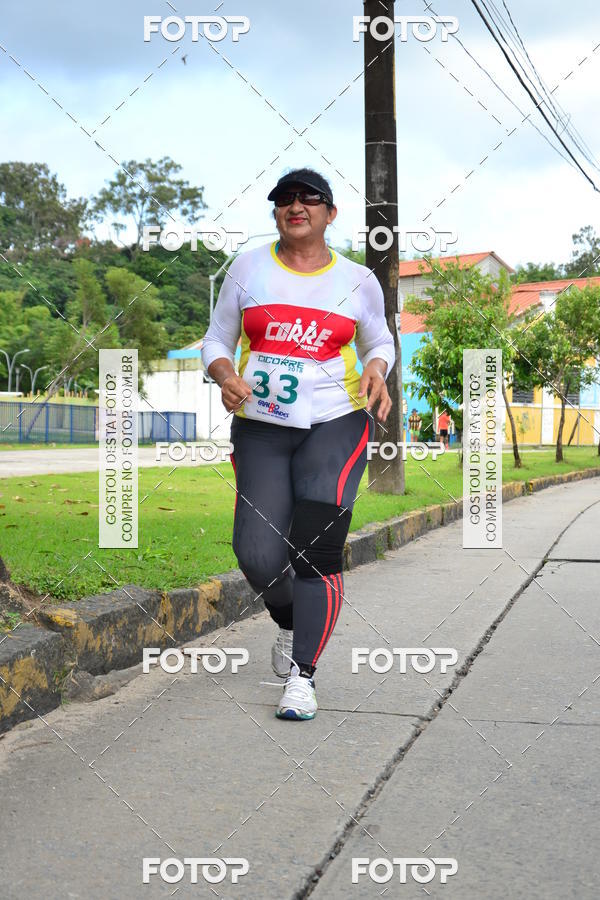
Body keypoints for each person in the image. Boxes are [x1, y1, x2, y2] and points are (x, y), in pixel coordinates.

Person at [201, 167, 395, 721]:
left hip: (336, 419)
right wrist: (223, 373)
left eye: (310, 199)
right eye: (285, 199)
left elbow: (378, 339)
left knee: (315, 543)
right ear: (277, 213)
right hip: (262, 423)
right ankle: (292, 625)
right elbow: (217, 337)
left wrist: (377, 367)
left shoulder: (357, 280)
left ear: (330, 214)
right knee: (257, 552)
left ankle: (303, 676)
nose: (296, 205)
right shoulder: (248, 268)